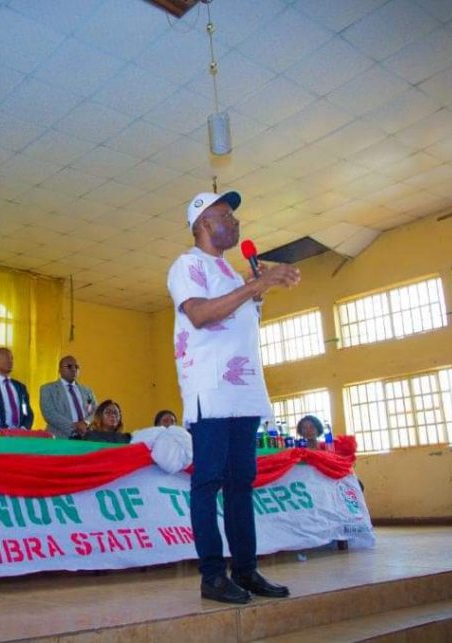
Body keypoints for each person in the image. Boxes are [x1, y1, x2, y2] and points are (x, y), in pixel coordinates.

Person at [168, 190, 300, 605]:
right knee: (208, 482)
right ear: (203, 224)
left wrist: (255, 289)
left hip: (244, 393)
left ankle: (245, 570)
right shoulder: (187, 265)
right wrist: (256, 285)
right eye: (227, 215)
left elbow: (238, 324)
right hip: (210, 389)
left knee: (241, 483)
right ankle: (212, 575)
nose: (237, 221)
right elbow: (201, 315)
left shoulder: (230, 273)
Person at [39, 355, 97, 439]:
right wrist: (74, 427)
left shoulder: (87, 390)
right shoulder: (47, 389)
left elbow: (95, 410)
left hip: (85, 436)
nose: (73, 369)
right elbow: (49, 413)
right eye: (69, 366)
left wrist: (85, 422)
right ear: (59, 370)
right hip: (59, 437)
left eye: (76, 367)